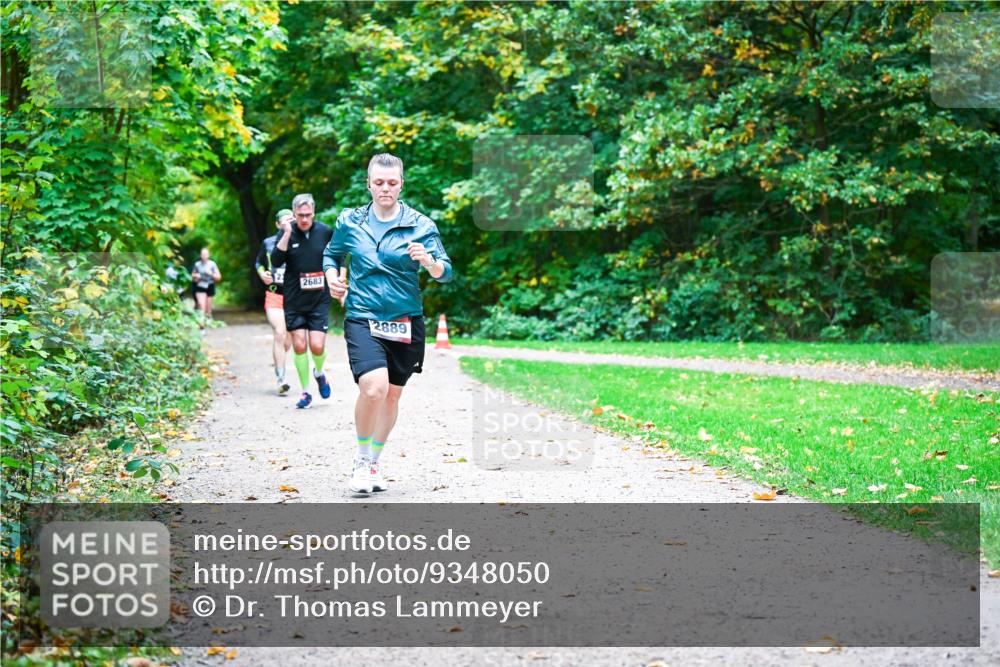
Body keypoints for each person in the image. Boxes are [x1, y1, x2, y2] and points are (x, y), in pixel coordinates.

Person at [323, 153, 454, 494]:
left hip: (406, 320)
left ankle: (374, 462)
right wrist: (332, 277)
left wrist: (429, 262)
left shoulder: (421, 225)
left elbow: (445, 272)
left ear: (401, 184)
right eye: (378, 182)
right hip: (363, 316)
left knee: (392, 397)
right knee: (373, 388)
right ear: (368, 184)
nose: (385, 188)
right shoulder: (350, 222)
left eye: (392, 183)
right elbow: (332, 254)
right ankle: (361, 460)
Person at [270, 194, 334, 409]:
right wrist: (287, 234)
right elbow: (276, 261)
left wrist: (338, 279)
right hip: (295, 300)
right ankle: (306, 392)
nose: (304, 219)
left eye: (308, 215)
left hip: (319, 299)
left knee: (317, 346)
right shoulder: (286, 233)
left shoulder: (325, 231)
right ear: (293, 214)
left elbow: (337, 256)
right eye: (300, 216)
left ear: (313, 213)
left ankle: (319, 372)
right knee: (299, 345)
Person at [256, 209, 295, 395]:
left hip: (295, 297)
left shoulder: (301, 242)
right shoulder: (268, 243)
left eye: (292, 220)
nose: (290, 224)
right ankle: (281, 379)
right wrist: (262, 273)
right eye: (286, 221)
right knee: (280, 333)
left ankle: (279, 357)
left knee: (289, 340)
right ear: (278, 224)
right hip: (274, 294)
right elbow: (259, 263)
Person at [191, 248, 221, 321]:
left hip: (210, 285)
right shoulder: (197, 264)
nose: (204, 256)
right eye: (202, 254)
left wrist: (211, 273)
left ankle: (208, 320)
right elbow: (192, 275)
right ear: (200, 255)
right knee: (202, 306)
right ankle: (201, 326)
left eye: (205, 254)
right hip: (200, 285)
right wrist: (196, 276)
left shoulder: (212, 264)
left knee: (208, 310)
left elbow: (219, 277)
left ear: (208, 255)